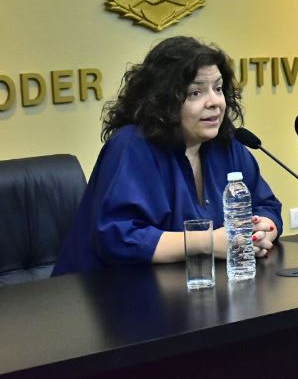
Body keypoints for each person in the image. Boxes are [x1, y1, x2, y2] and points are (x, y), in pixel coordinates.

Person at [53, 36, 282, 275]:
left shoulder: (226, 144)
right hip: (109, 290)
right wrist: (208, 243)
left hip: (195, 286)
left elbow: (267, 205)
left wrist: (261, 232)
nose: (215, 102)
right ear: (163, 100)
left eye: (218, 88)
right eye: (195, 93)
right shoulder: (132, 146)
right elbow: (118, 237)